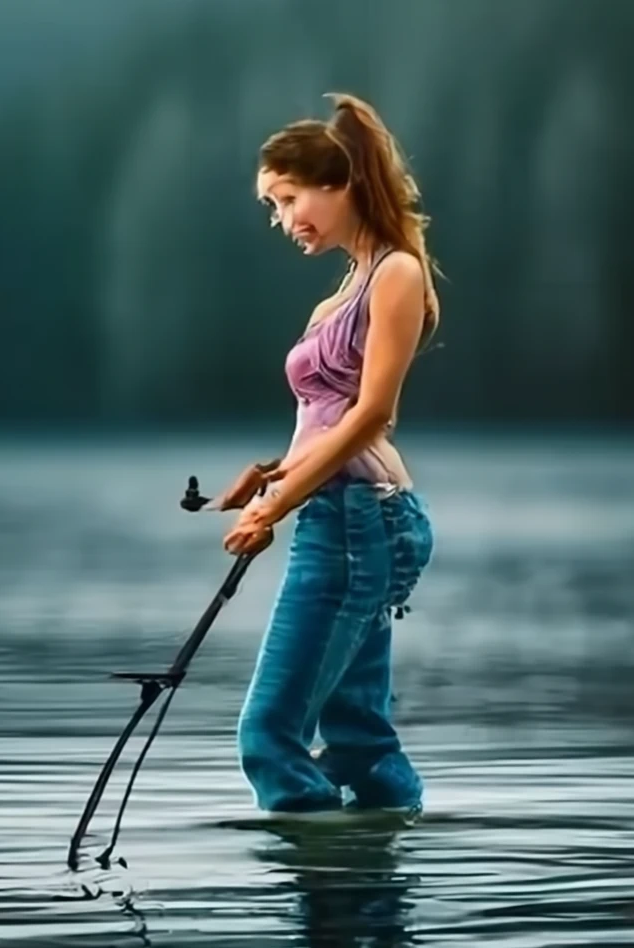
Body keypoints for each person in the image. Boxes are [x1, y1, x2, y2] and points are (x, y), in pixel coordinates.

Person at [214, 92, 441, 816]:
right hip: (338, 518)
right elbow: (323, 418)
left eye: (288, 199)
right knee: (358, 740)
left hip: (362, 522)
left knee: (269, 736)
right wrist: (269, 481)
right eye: (272, 207)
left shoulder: (397, 274)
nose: (283, 221)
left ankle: (326, 901)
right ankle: (379, 887)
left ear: (337, 184)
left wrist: (278, 505)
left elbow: (373, 415)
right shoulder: (336, 299)